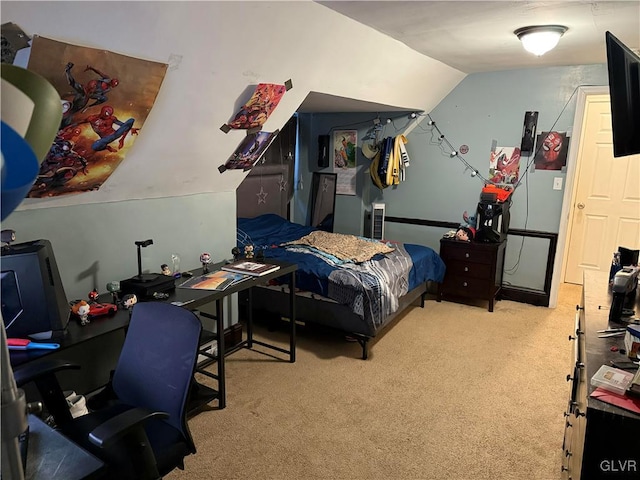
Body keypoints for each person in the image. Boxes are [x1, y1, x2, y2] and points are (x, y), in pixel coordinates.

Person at [69, 105, 139, 152]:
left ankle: (121, 140)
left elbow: (123, 125)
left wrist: (130, 129)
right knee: (94, 146)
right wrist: (69, 127)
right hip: (105, 139)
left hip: (116, 134)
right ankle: (107, 147)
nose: (108, 117)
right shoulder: (92, 118)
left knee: (131, 120)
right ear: (102, 112)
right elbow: (81, 122)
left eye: (110, 115)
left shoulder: (112, 118)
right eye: (107, 115)